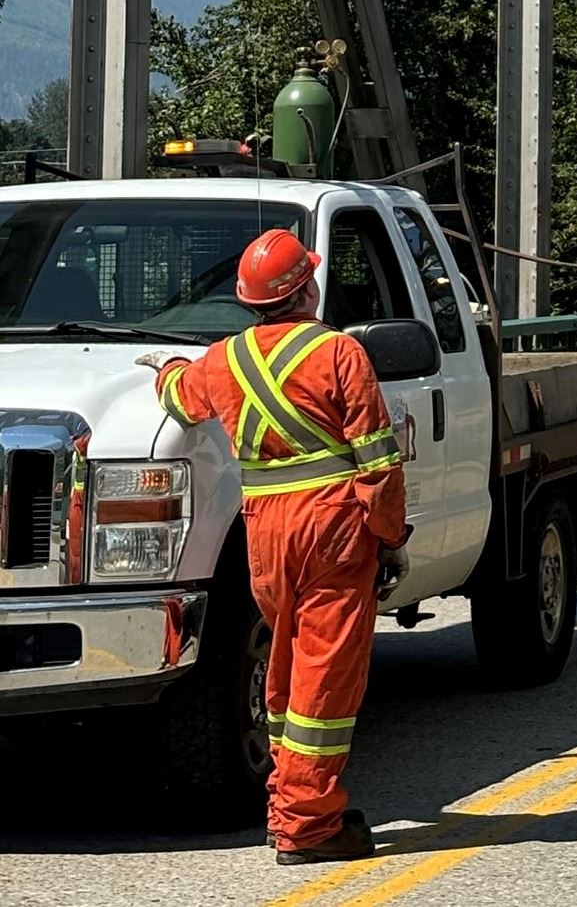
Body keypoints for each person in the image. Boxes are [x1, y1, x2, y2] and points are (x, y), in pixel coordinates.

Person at [140, 228, 408, 865]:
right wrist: (390, 535)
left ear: (248, 300)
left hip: (265, 537)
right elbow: (379, 466)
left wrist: (165, 370)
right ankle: (307, 828)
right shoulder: (340, 354)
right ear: (306, 289)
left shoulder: (224, 361)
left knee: (286, 670)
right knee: (326, 681)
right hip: (333, 532)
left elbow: (180, 396)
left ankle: (287, 806)